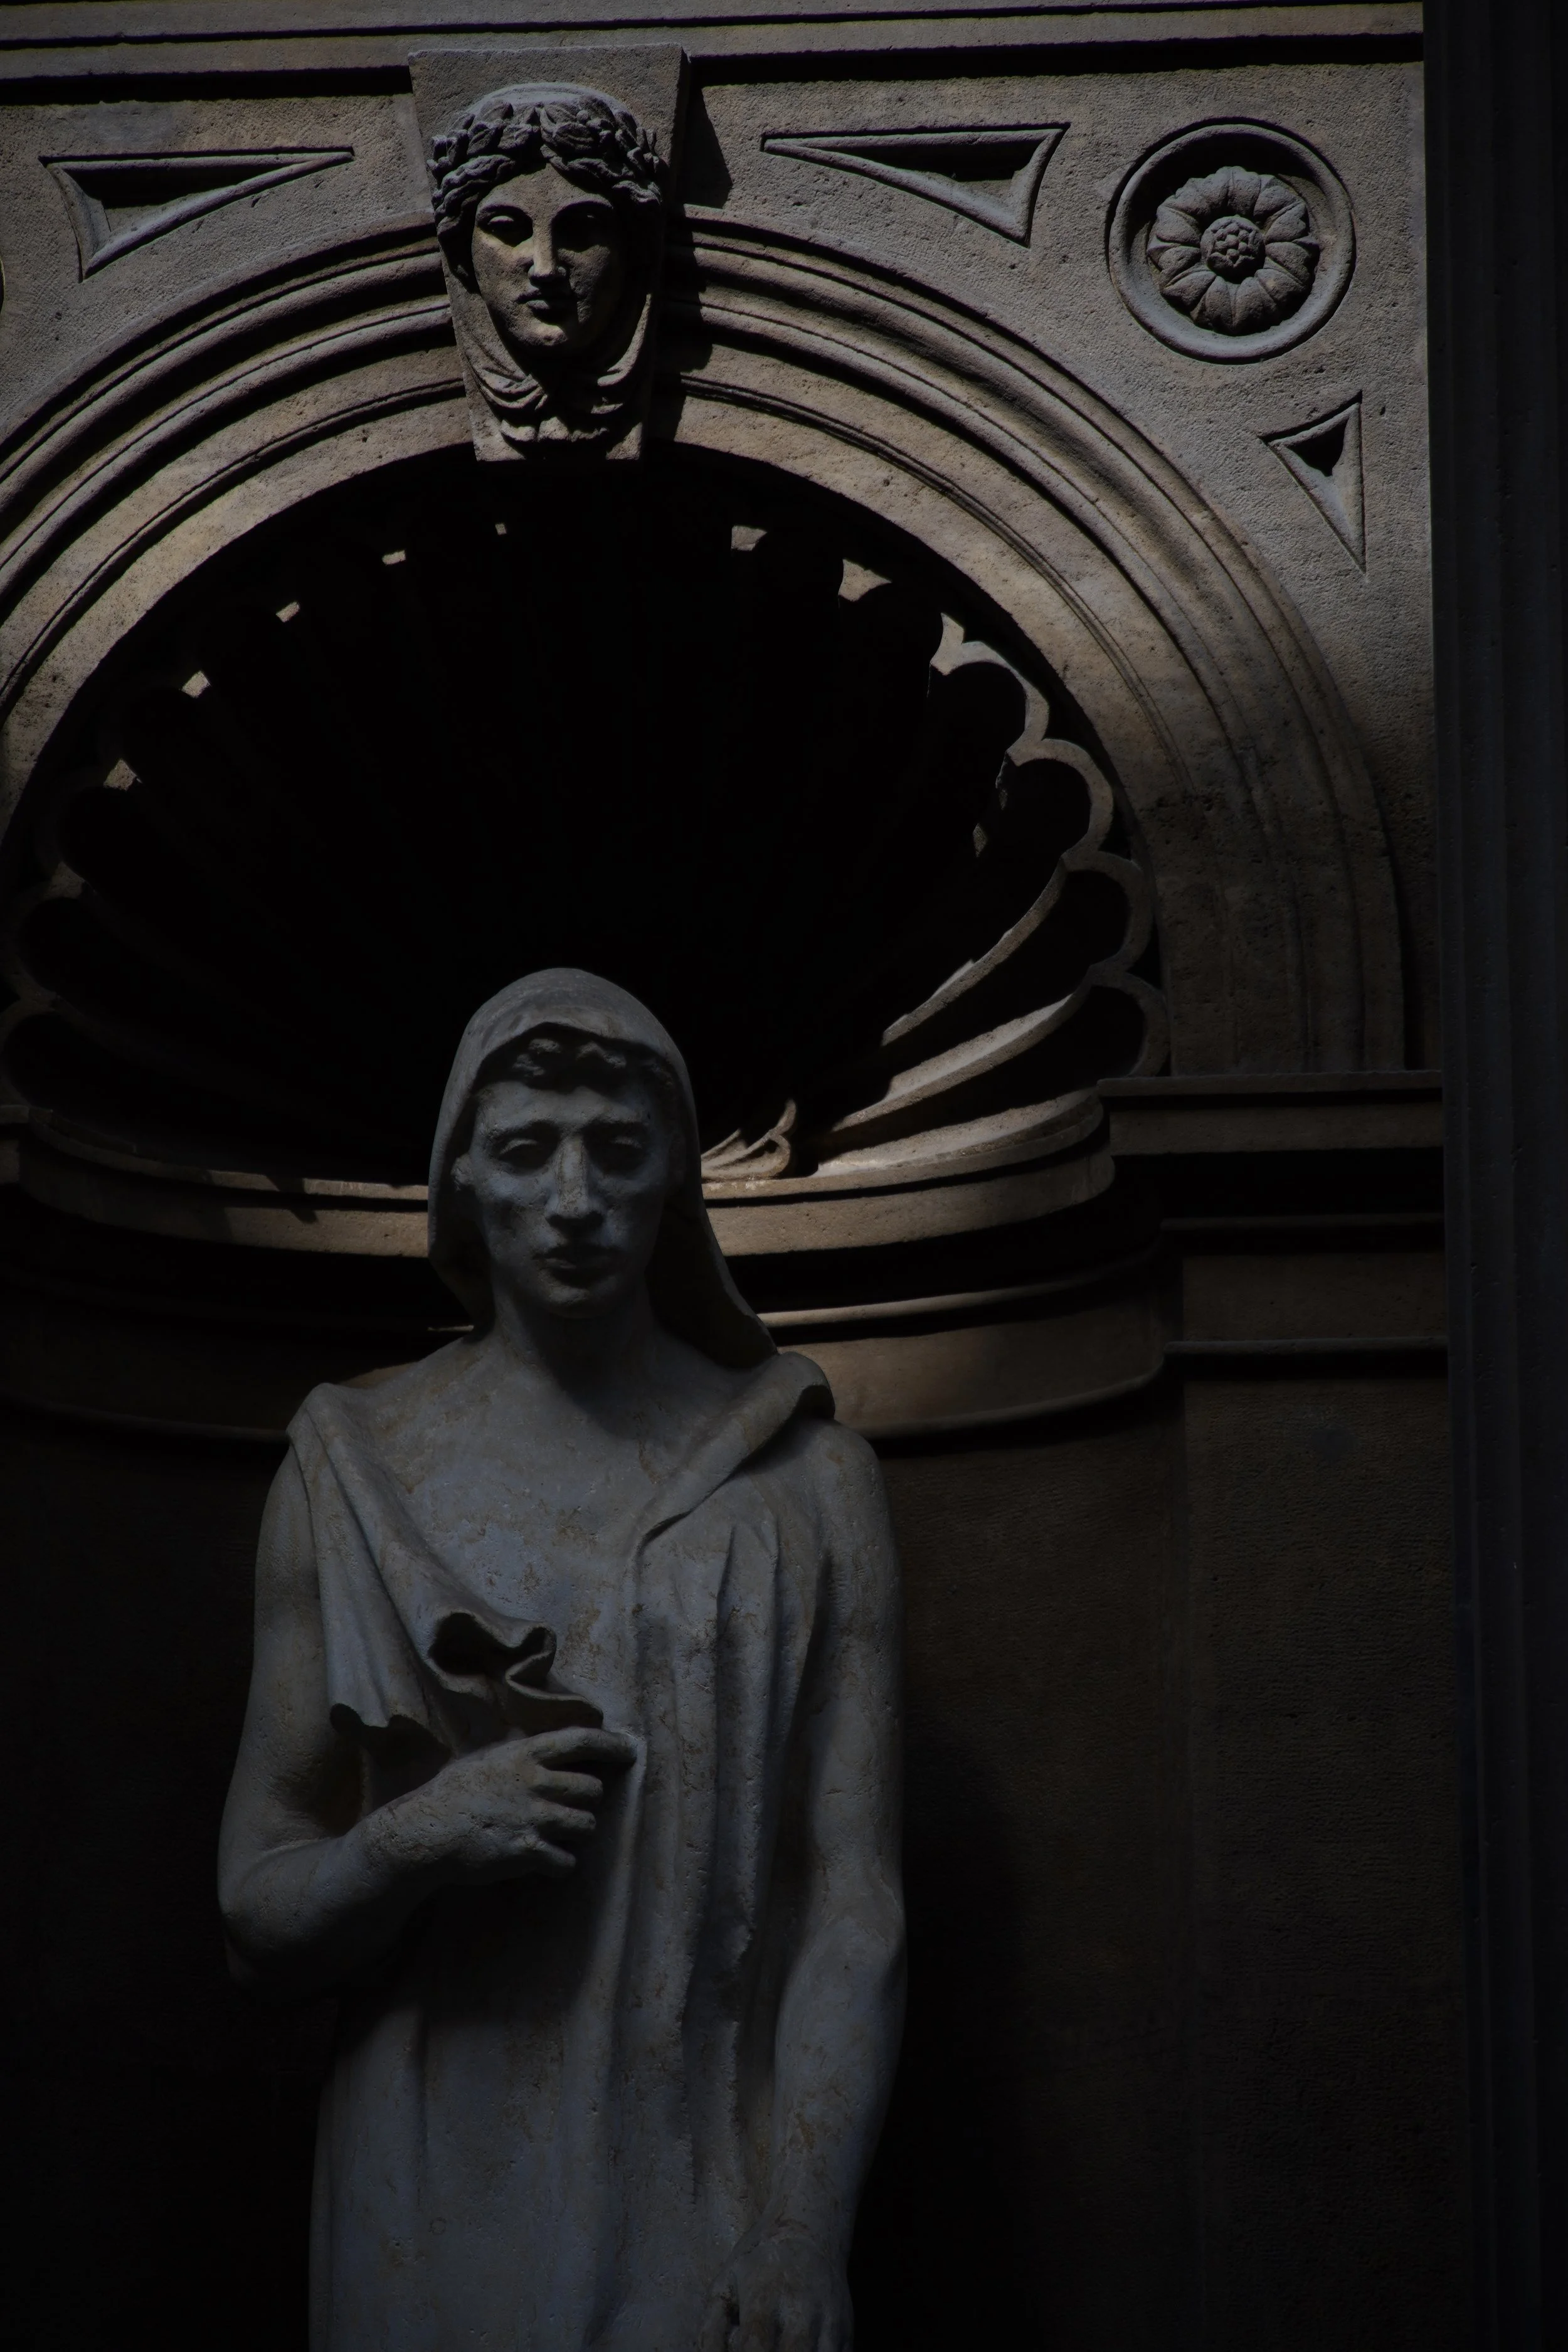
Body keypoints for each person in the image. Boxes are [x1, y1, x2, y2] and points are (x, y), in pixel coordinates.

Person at [219, 969, 904, 2352]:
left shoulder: (807, 1481)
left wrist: (798, 2227)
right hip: (428, 2158)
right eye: (528, 1148)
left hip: (706, 2154)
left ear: (675, 1184)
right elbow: (257, 1914)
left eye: (617, 1147)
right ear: (461, 1181)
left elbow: (851, 1901)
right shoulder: (353, 1469)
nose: (576, 1198)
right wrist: (410, 1839)